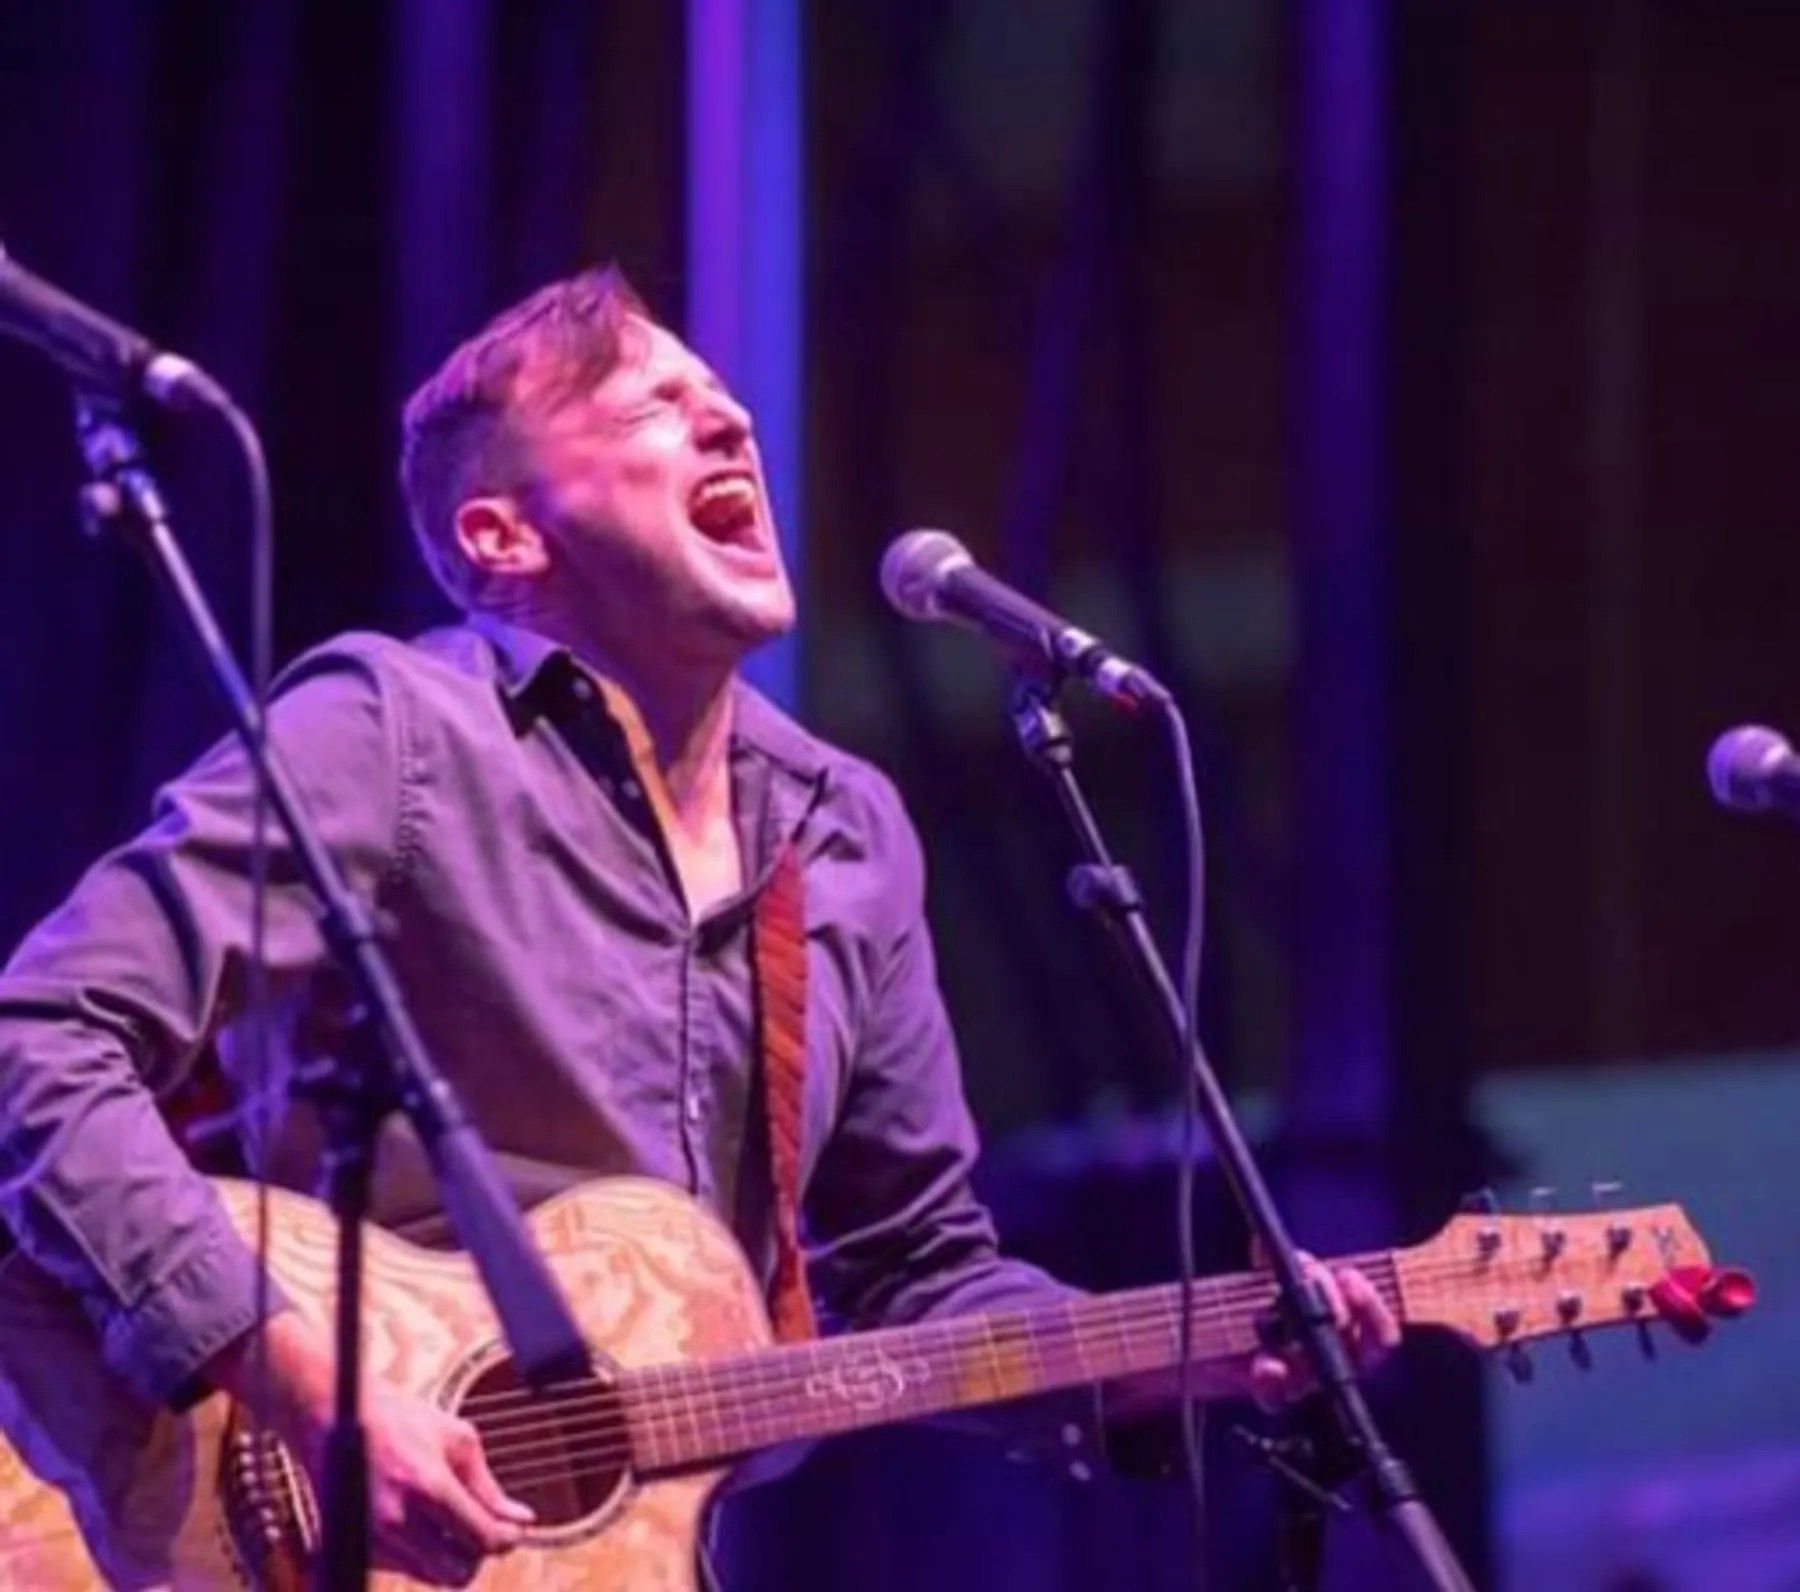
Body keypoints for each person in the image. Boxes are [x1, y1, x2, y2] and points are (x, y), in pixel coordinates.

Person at [0, 267, 1397, 1586]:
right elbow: (40, 1036)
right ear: (502, 535)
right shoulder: (395, 735)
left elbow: (914, 1272)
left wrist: (1171, 1353)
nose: (728, 418)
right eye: (646, 409)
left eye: (723, 400)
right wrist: (301, 1380)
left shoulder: (842, 833)